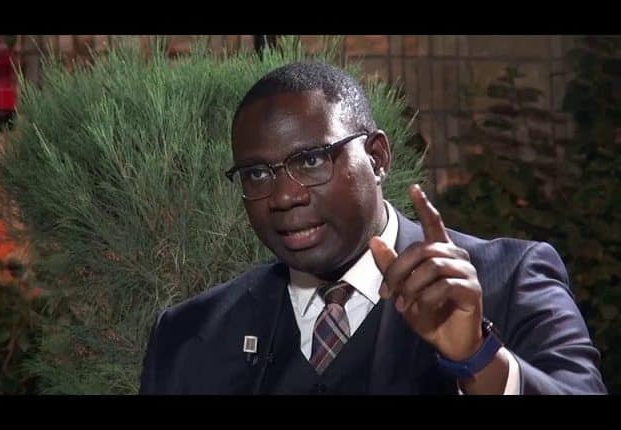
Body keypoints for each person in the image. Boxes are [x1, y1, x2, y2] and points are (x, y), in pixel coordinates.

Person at [139, 61, 606, 394]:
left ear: (377, 157)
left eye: (311, 160)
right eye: (257, 174)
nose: (283, 196)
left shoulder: (509, 279)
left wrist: (478, 358)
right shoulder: (188, 336)